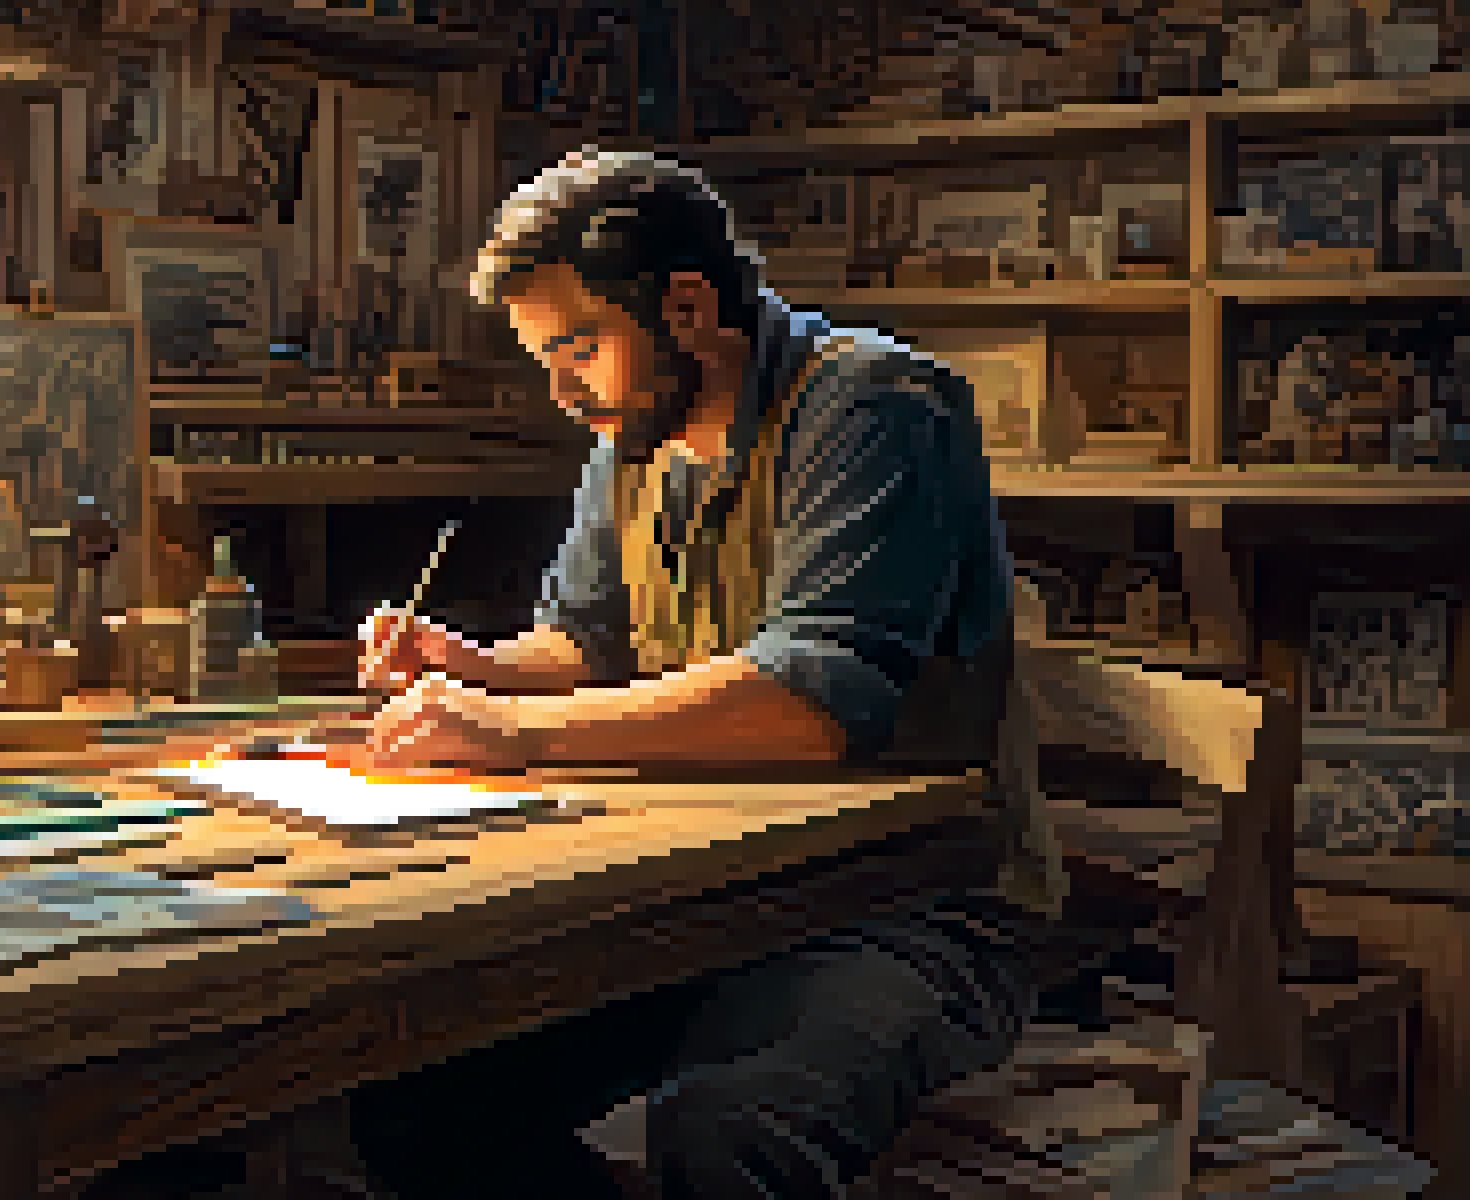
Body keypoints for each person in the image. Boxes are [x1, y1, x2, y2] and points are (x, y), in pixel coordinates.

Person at [342, 149, 1062, 1199]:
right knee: (415, 1102)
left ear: (685, 306)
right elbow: (585, 644)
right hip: (710, 899)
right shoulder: (635, 431)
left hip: (909, 905)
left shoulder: (874, 408)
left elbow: (814, 701)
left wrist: (509, 731)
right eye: (546, 356)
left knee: (729, 1131)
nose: (560, 388)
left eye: (578, 348)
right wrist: (476, 668)